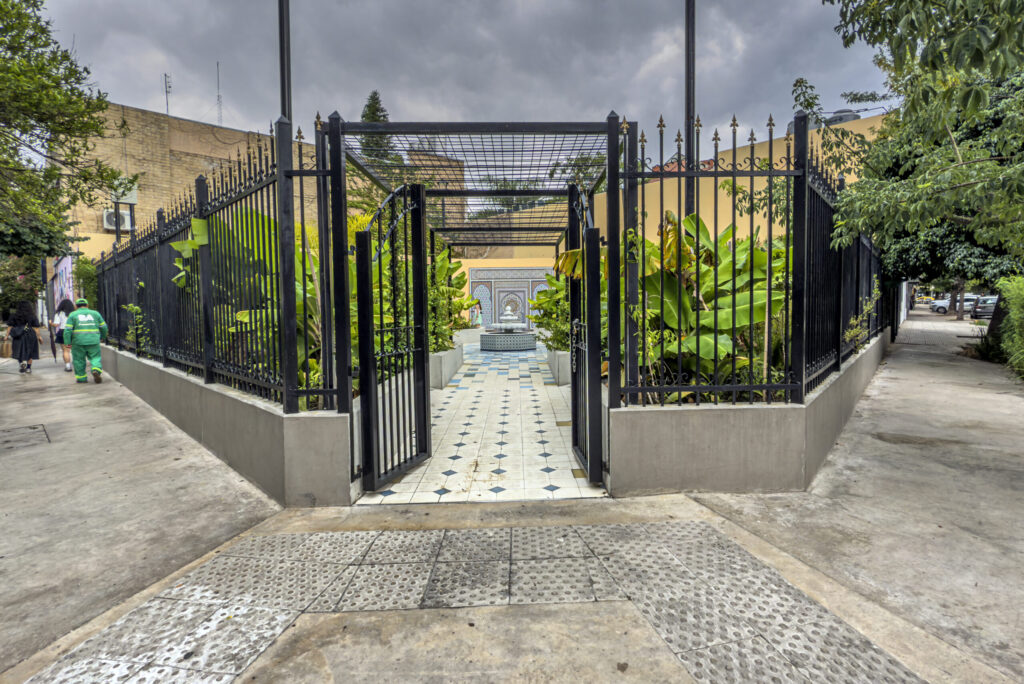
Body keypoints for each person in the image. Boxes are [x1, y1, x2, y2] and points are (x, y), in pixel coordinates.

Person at [63, 298, 108, 383]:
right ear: (87, 305)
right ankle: (96, 369)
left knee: (78, 360)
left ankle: (81, 378)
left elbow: (67, 330)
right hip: (93, 340)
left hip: (78, 342)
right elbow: (104, 327)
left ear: (76, 306)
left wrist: (67, 342)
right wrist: (103, 336)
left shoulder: (72, 315)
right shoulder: (95, 314)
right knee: (95, 357)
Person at [4, 301, 43, 373]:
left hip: (18, 334)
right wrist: (39, 337)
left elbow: (10, 326)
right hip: (30, 334)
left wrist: (6, 336)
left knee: (18, 350)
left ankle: (21, 363)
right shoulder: (32, 316)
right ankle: (28, 368)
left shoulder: (14, 315)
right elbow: (36, 328)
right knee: (30, 350)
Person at [51, 298, 75, 372]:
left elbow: (56, 325)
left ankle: (68, 366)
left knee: (65, 351)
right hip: (74, 332)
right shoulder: (74, 313)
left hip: (63, 332)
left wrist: (50, 323)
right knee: (76, 350)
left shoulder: (59, 313)